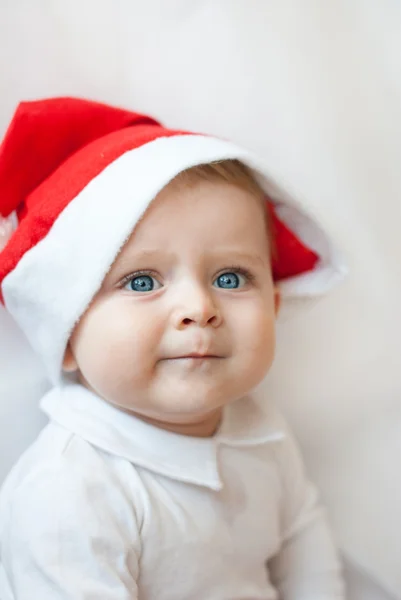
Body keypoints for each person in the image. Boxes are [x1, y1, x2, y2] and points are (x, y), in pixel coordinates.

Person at [0, 97, 346, 599]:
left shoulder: (259, 427)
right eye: (142, 282)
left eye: (230, 277)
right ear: (67, 332)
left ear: (273, 305)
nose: (199, 307)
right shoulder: (70, 491)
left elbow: (304, 543)